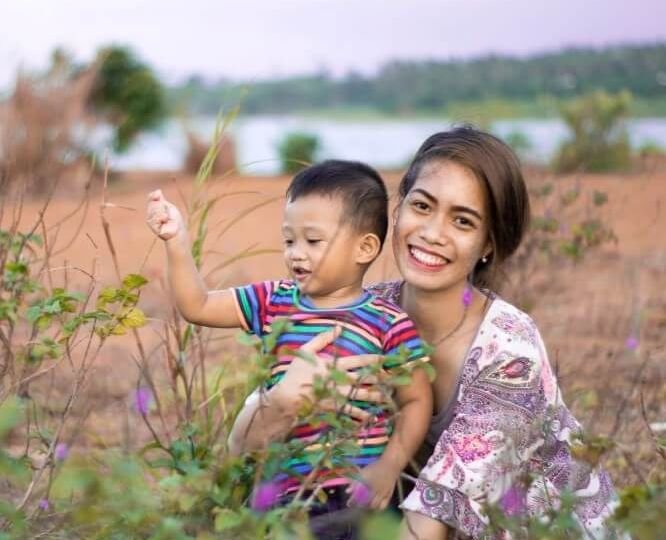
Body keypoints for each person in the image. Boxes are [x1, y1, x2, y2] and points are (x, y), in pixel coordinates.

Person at [229, 128, 623, 539]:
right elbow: (240, 451)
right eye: (422, 205)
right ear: (397, 211)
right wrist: (282, 401)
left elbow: (430, 519)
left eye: (462, 220)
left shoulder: (509, 350)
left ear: (487, 243)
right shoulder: (364, 312)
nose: (432, 233)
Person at [145, 159, 433, 532]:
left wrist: (390, 466)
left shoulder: (388, 322)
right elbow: (196, 305)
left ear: (363, 248)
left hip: (359, 492)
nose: (296, 252)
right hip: (283, 496)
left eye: (312, 241)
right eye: (288, 240)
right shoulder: (274, 301)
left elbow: (416, 400)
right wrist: (177, 243)